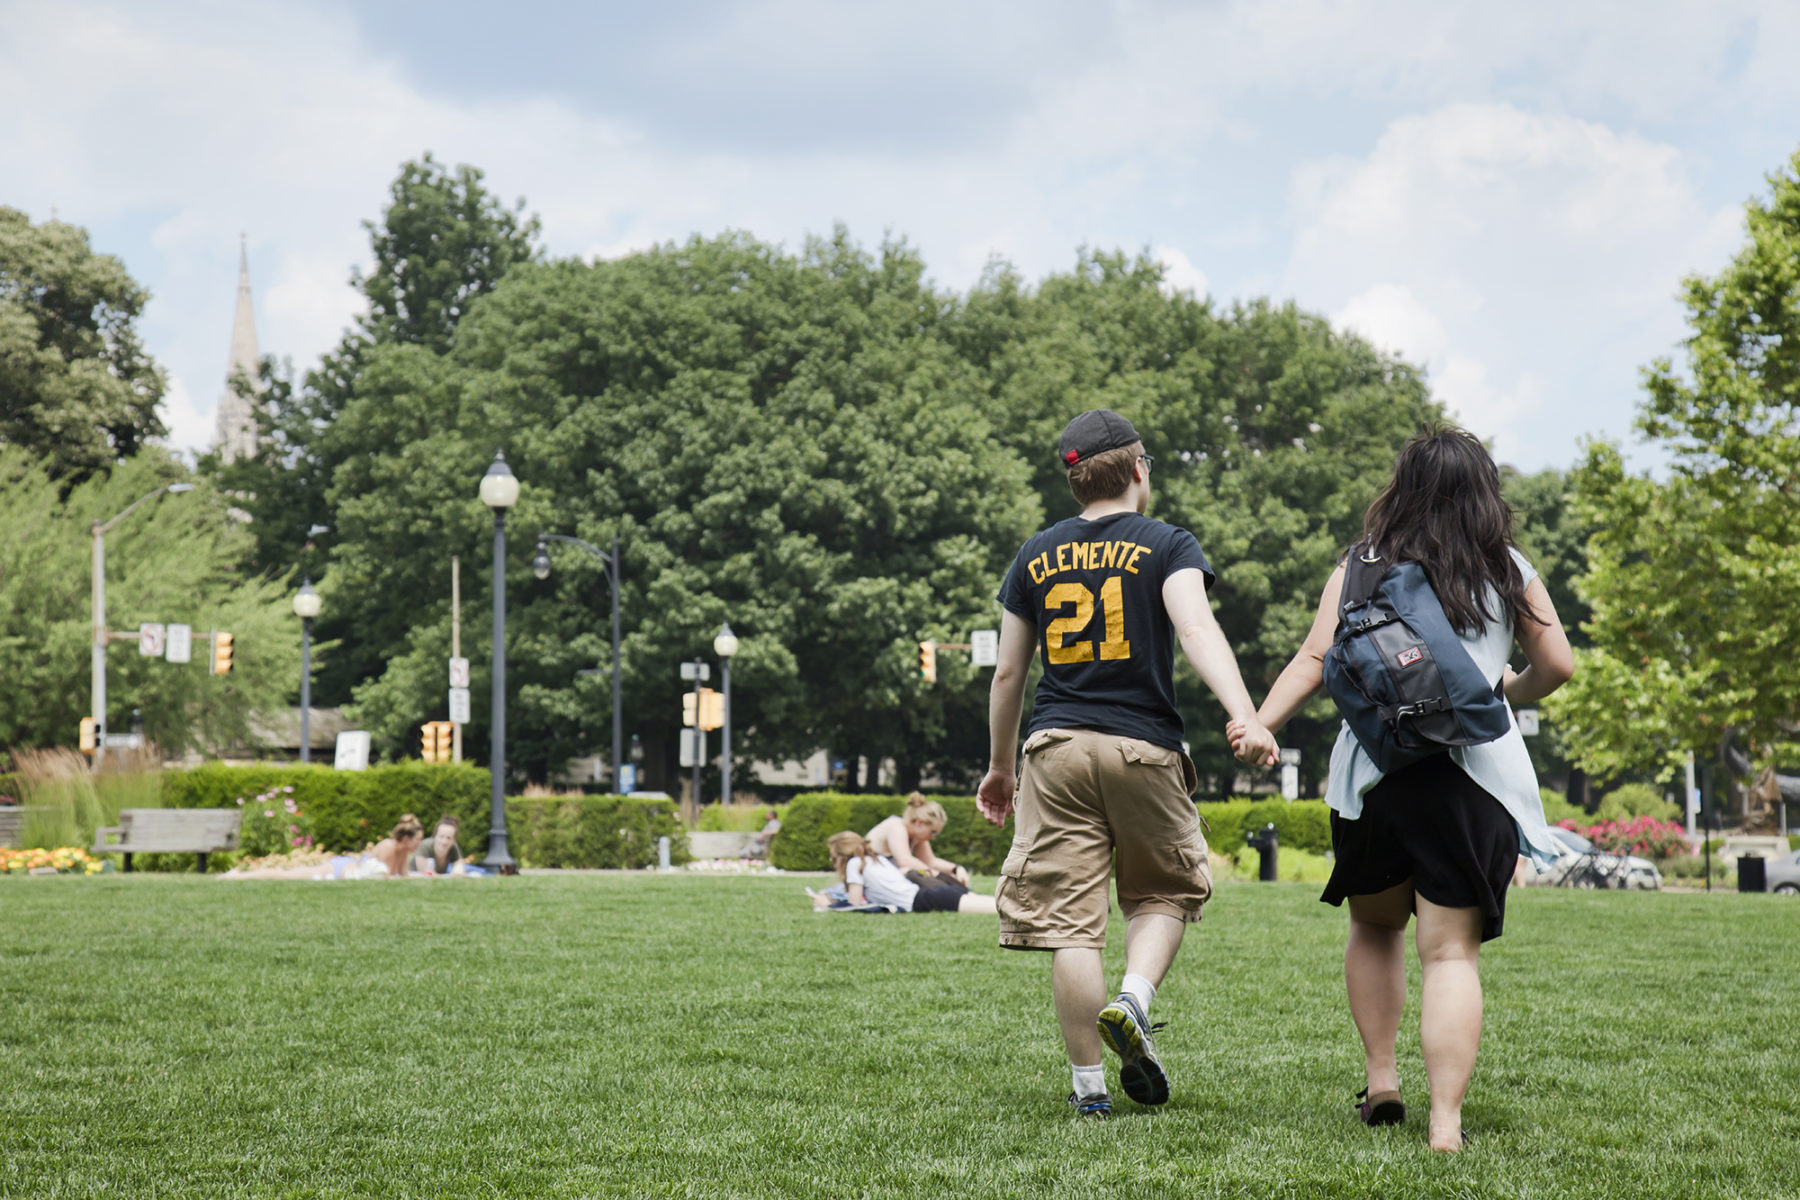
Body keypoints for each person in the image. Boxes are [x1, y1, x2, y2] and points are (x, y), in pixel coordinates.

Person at [1237, 426, 1573, 1152]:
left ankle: (1383, 1080)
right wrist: (1508, 687)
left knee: (1375, 926)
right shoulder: (1507, 568)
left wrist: (1259, 724)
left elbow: (1313, 656)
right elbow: (1560, 665)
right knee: (1450, 955)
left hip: (1376, 778)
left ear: (1403, 488)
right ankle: (1445, 1125)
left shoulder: (1360, 566)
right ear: (1484, 492)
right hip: (1475, 778)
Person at [977, 408, 1278, 1120]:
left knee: (1070, 926)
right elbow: (1195, 626)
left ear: (1075, 479)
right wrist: (1246, 713)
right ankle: (1134, 1001)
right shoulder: (1165, 543)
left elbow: (1008, 674)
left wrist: (999, 767)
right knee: (1166, 892)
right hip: (1143, 746)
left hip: (1054, 750)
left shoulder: (1035, 554)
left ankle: (1089, 1091)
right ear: (1139, 469)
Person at [812, 832, 997, 914]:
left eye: (834, 859)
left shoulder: (855, 864)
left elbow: (854, 904)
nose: (834, 864)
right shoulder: (876, 859)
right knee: (1001, 906)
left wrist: (828, 905)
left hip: (928, 900)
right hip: (935, 894)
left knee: (1001, 910)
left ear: (844, 857)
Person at [865, 794, 969, 886]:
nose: (933, 837)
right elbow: (905, 861)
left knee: (941, 874)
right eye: (932, 832)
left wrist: (956, 869)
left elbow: (930, 862)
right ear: (919, 823)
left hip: (885, 877)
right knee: (910, 872)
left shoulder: (916, 836)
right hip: (867, 877)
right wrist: (939, 876)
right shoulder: (896, 826)